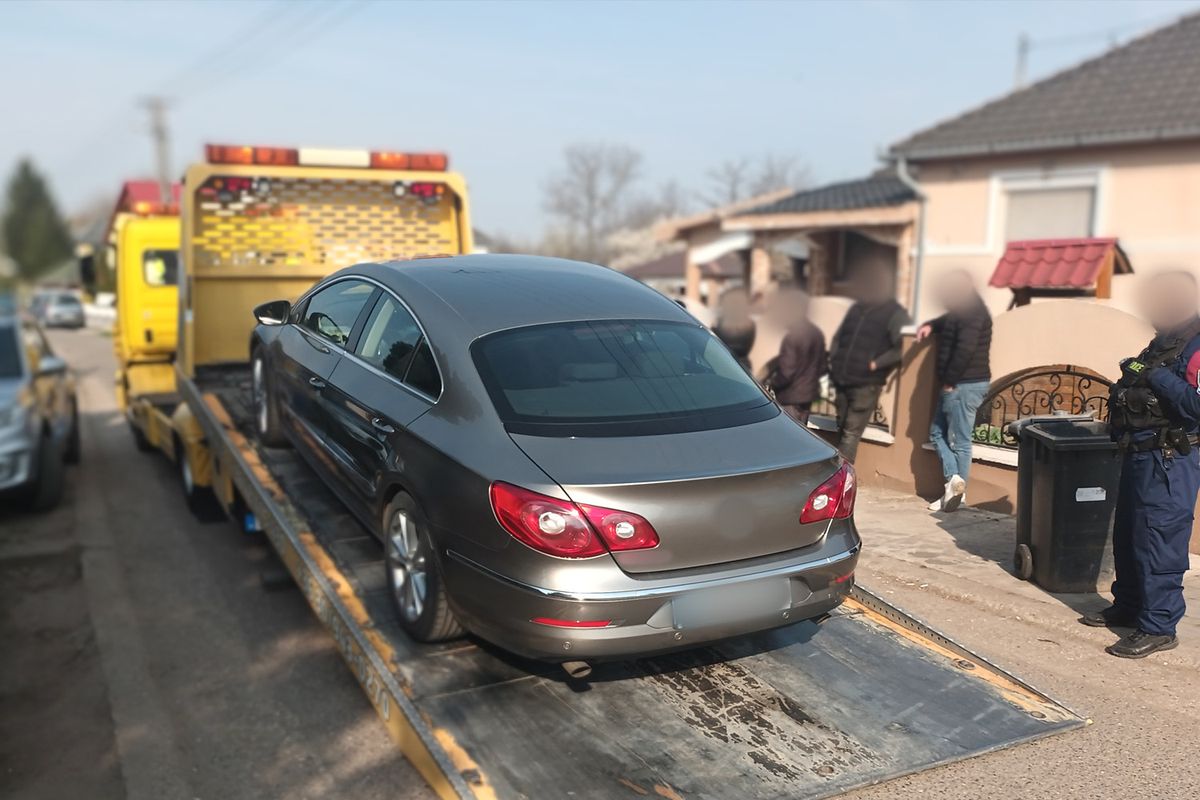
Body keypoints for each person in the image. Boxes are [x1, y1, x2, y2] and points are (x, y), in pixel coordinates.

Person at [1084, 270, 1200, 659]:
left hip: (1171, 459)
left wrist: (1152, 375)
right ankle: (1129, 607)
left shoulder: (1196, 343)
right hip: (1139, 452)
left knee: (1159, 537)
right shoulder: (1163, 341)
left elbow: (1195, 405)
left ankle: (1159, 626)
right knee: (1131, 534)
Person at [916, 270, 993, 512]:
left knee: (960, 441)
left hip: (963, 384)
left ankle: (956, 489)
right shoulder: (962, 310)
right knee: (937, 433)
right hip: (960, 383)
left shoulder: (972, 312)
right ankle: (955, 484)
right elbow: (949, 323)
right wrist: (931, 324)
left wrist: (950, 381)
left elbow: (965, 349)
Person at [828, 263, 910, 462]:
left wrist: (877, 364)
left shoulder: (894, 312)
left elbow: (902, 347)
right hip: (842, 378)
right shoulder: (856, 308)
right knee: (842, 425)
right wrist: (834, 358)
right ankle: (839, 472)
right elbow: (840, 336)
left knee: (851, 432)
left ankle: (842, 477)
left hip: (866, 383)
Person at [769, 288, 826, 425]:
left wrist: (772, 384)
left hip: (790, 396)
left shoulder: (792, 336)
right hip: (807, 395)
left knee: (788, 435)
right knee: (801, 433)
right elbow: (822, 367)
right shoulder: (816, 332)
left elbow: (787, 372)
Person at [713, 287, 756, 371]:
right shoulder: (750, 324)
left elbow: (714, 342)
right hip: (742, 365)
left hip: (724, 363)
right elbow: (747, 346)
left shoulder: (720, 322)